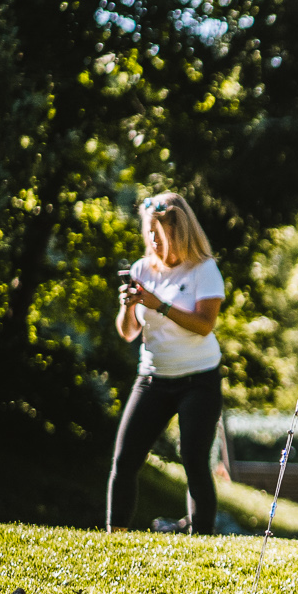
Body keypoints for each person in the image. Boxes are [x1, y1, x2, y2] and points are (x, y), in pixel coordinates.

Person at [107, 193, 227, 533]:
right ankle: (114, 536)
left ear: (178, 232)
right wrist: (129, 306)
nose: (153, 242)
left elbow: (205, 324)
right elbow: (128, 332)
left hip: (198, 381)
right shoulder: (142, 269)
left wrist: (158, 304)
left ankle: (201, 537)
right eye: (149, 235)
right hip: (153, 379)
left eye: (158, 235)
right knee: (124, 459)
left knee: (193, 460)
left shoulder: (204, 270)